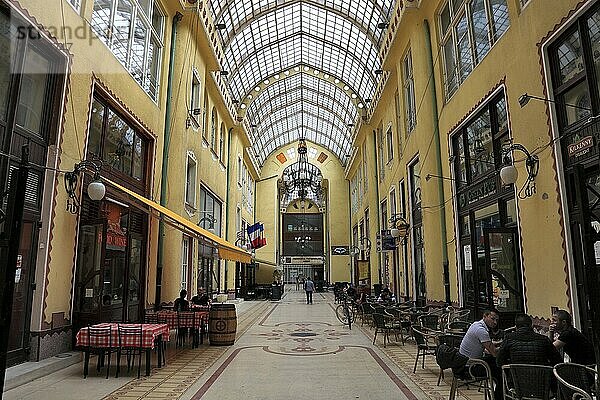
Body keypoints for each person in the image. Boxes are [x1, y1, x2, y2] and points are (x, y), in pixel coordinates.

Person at [459, 308, 502, 400]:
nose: (495, 322)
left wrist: (499, 343)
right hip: (469, 367)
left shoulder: (475, 324)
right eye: (492, 319)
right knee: (500, 371)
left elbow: (485, 345)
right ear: (485, 316)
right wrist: (505, 347)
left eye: (497, 320)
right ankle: (499, 397)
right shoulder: (481, 330)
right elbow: (494, 353)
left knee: (495, 363)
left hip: (463, 362)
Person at [497, 314, 562, 367]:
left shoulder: (509, 338)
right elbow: (557, 360)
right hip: (541, 378)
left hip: (517, 379)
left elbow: (499, 361)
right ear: (531, 326)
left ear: (516, 327)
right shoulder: (543, 339)